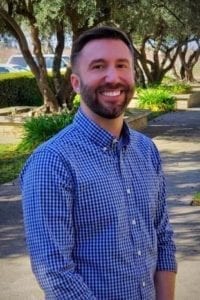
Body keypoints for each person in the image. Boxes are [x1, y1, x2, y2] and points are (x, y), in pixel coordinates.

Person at [21, 26, 177, 299]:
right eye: (98, 66)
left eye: (122, 65)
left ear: (133, 75)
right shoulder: (52, 163)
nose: (113, 77)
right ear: (76, 83)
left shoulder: (146, 151)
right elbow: (55, 272)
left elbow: (163, 239)